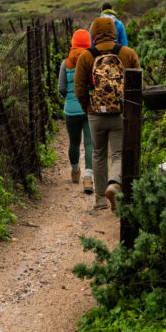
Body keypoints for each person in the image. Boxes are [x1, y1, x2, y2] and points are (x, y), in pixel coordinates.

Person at [74, 16, 141, 210]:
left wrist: (88, 107)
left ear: (93, 32)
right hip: (121, 113)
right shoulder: (128, 54)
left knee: (99, 154)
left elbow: (79, 87)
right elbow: (137, 85)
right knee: (119, 153)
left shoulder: (86, 56)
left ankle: (100, 199)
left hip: (96, 114)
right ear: (114, 30)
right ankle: (114, 184)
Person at [58, 29, 94, 192]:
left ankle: (75, 171)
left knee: (73, 143)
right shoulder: (92, 61)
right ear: (88, 44)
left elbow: (61, 88)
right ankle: (88, 179)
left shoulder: (65, 63)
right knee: (89, 144)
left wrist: (70, 98)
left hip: (71, 110)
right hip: (88, 107)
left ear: (73, 43)